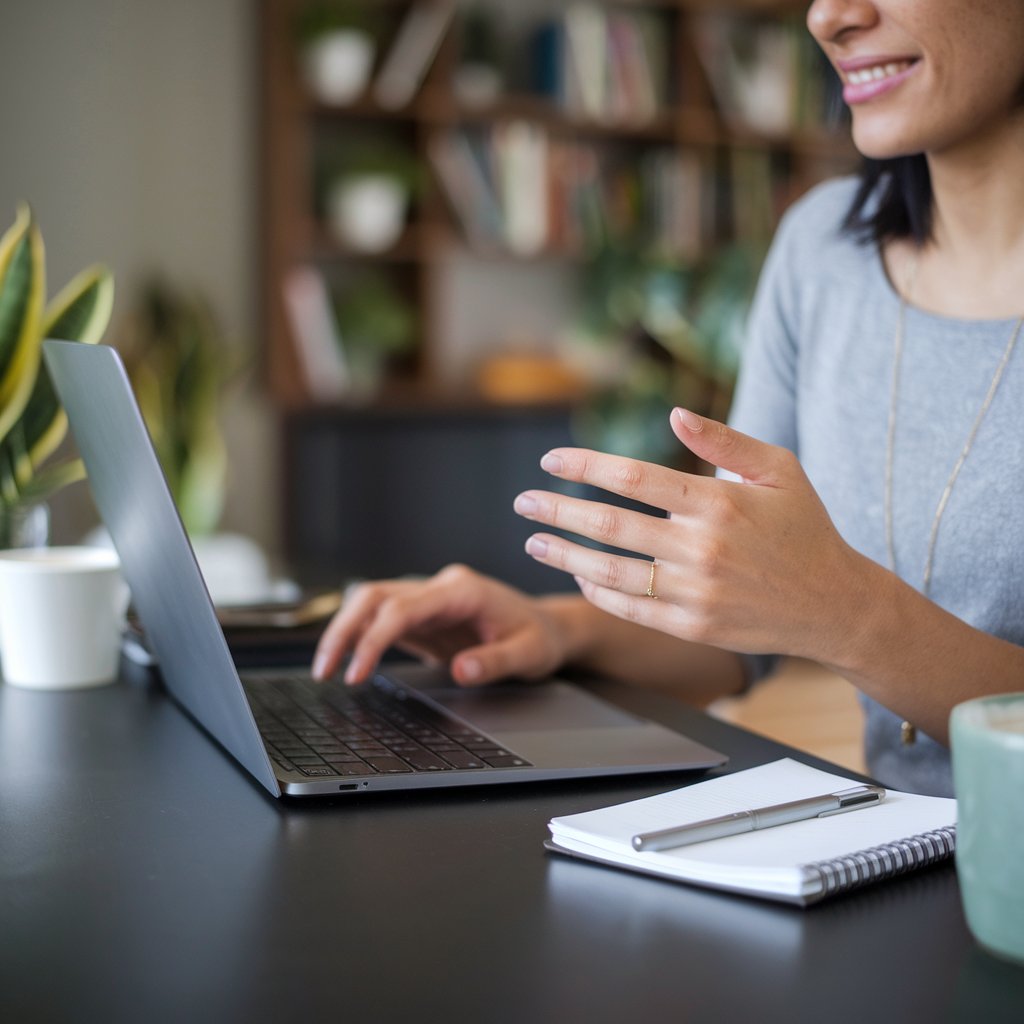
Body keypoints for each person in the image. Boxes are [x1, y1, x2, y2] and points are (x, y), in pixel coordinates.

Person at [312, 0, 1024, 798]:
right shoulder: (821, 252)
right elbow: (738, 624)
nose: (829, 17)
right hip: (913, 868)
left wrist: (853, 616)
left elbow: (827, 612)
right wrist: (556, 629)